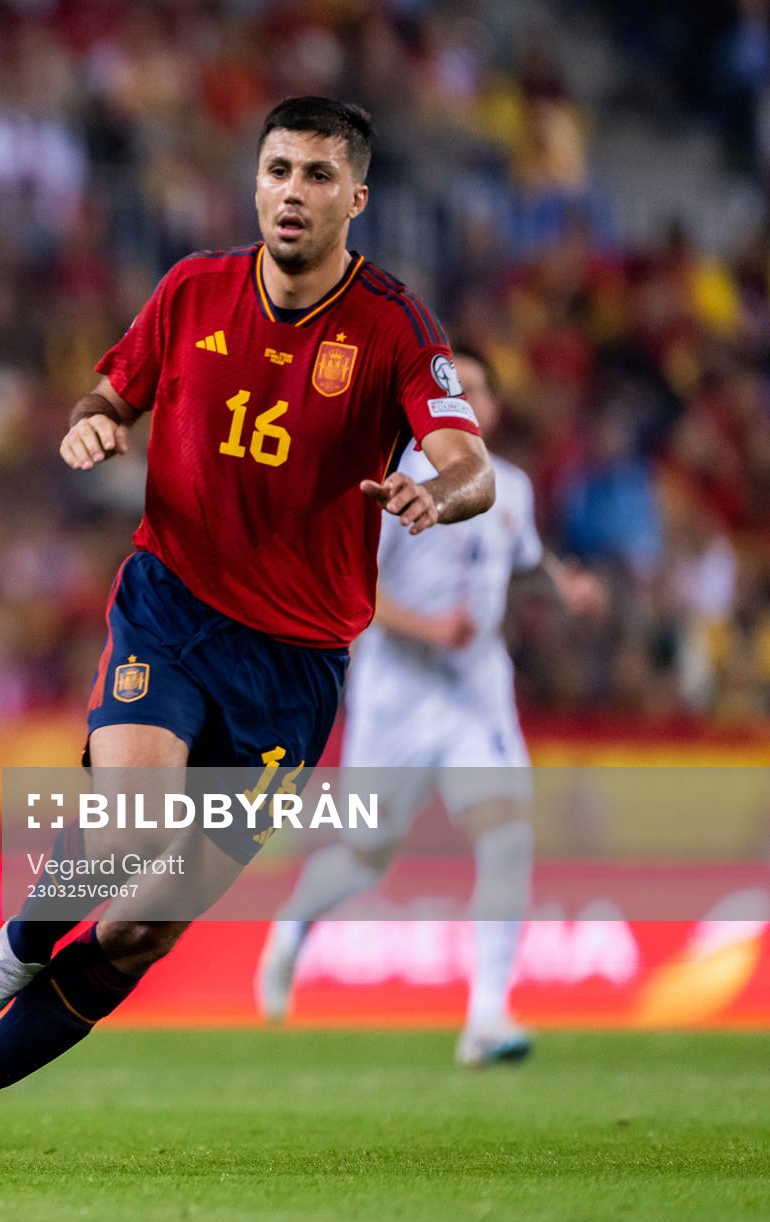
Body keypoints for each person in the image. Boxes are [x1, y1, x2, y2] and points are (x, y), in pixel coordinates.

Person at [0, 97, 496, 1176]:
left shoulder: (396, 328)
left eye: (318, 176)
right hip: (172, 604)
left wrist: (432, 494)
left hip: (296, 666)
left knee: (141, 929)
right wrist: (94, 417)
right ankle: (12, 950)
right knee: (130, 824)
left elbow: (470, 460)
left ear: (354, 200)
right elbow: (113, 384)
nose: (292, 193)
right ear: (255, 181)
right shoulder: (191, 289)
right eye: (278, 169)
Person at [254, 349, 604, 1066]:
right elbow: (355, 592)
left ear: (495, 408)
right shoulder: (397, 481)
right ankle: (292, 924)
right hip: (398, 695)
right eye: (455, 389)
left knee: (505, 834)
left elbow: (525, 559)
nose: (466, 401)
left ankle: (487, 1018)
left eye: (478, 389)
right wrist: (430, 627)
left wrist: (563, 586)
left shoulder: (511, 488)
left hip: (477, 693)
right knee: (365, 858)